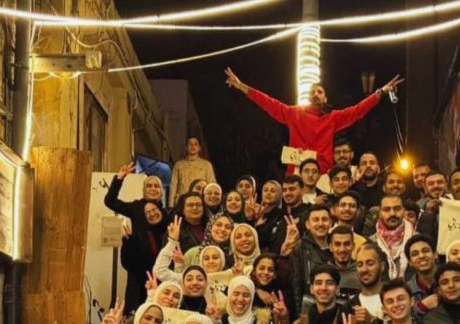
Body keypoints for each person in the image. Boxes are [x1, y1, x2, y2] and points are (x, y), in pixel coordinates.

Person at [224, 68, 403, 173]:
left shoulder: (333, 118)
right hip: (296, 175)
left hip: (322, 177)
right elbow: (267, 103)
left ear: (325, 98)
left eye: (320, 91)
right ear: (308, 97)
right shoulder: (294, 113)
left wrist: (381, 92)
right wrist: (241, 86)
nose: (316, 94)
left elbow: (358, 111)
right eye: (313, 92)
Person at [106, 163, 169, 312]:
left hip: (160, 267)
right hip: (138, 265)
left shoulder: (166, 213)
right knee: (137, 307)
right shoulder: (136, 207)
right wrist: (119, 178)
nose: (152, 189)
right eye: (149, 186)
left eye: (156, 186)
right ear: (144, 190)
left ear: (161, 191)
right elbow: (110, 202)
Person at [368, 194, 413, 279]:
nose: (392, 213)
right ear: (380, 213)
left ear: (403, 211)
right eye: (387, 209)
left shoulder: (416, 239)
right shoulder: (371, 243)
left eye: (397, 209)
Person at [171, 135, 218, 199]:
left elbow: (212, 185)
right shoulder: (178, 165)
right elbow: (173, 186)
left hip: (200, 200)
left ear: (199, 148)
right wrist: (171, 203)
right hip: (182, 201)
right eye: (190, 144)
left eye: (195, 144)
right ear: (186, 147)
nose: (193, 146)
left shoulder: (206, 165)